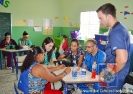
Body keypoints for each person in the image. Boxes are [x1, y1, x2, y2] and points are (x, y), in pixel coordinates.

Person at [96, 3, 130, 94]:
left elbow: (122, 59)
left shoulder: (117, 32)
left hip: (116, 75)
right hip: (115, 72)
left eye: (100, 18)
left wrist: (109, 73)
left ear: (109, 16)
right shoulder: (116, 29)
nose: (99, 21)